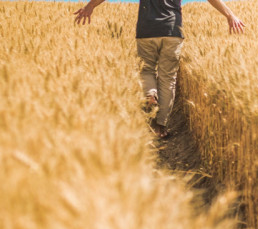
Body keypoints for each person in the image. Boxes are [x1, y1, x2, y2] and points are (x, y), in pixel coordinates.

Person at [74, 0, 244, 138]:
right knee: (168, 78)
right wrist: (230, 15)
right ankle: (160, 126)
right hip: (172, 31)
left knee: (147, 70)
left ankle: (150, 93)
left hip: (146, 31)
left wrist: (90, 6)